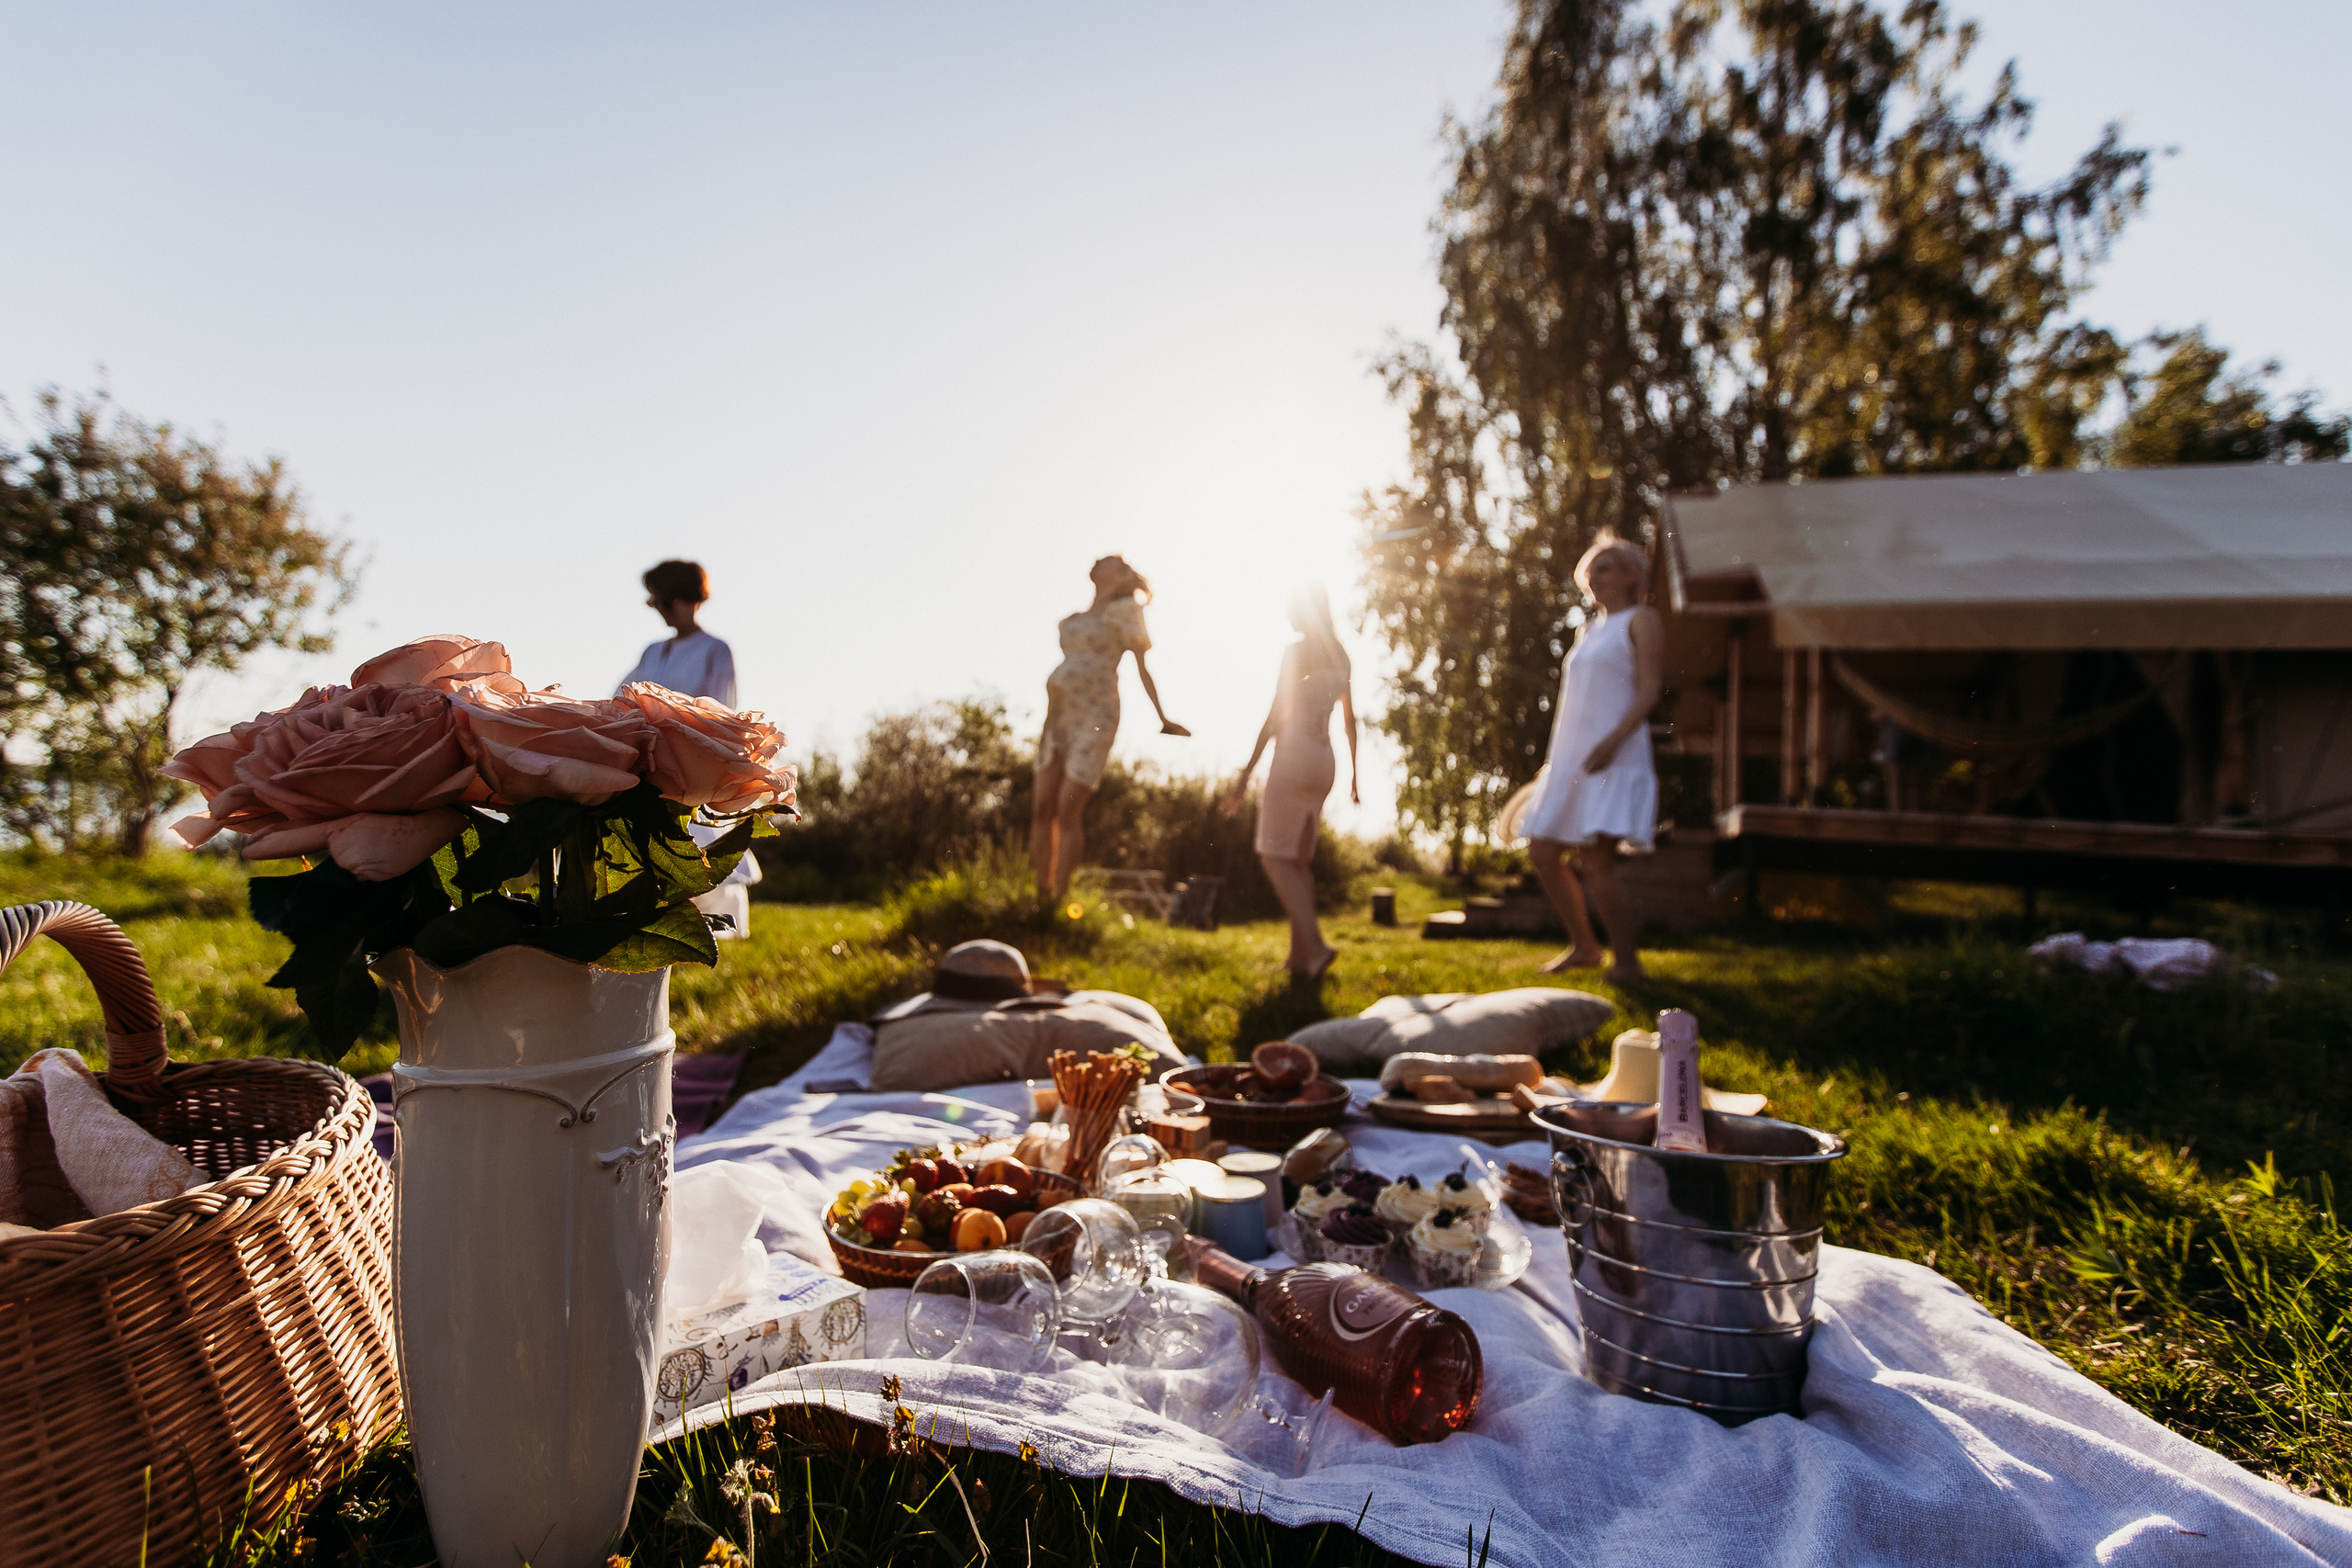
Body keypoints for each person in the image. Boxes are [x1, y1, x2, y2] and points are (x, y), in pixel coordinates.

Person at [1515, 535, 1661, 983]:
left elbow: (1650, 692)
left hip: (1614, 756)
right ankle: (1585, 946)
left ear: (1631, 574)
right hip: (1572, 760)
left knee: (1596, 863)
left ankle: (1628, 964)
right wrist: (1557, 762)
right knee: (1542, 851)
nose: (1594, 574)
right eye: (1592, 567)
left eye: (1606, 566)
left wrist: (1612, 742)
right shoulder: (1588, 630)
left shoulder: (1642, 620)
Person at [1223, 583, 1359, 981]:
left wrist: (1244, 775)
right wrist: (1355, 776)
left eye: (1291, 608)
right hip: (1325, 761)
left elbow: (1275, 715)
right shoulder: (1341, 655)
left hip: (1294, 758)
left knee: (1273, 856)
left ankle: (1315, 947)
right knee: (1299, 863)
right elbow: (1350, 720)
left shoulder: (1296, 652)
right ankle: (1300, 958)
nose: (1286, 615)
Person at [1030, 555, 1187, 898]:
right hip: (1059, 715)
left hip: (1096, 716)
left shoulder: (1126, 612)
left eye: (1107, 561)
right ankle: (1040, 898)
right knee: (1042, 807)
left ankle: (1060, 899)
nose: (1097, 561)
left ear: (1120, 576)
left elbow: (1142, 668)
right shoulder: (1074, 619)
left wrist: (1162, 718)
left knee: (1067, 807)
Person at [619, 559, 735, 707]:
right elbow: (622, 701)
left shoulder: (715, 649)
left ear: (692, 600)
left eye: (666, 602)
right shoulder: (652, 651)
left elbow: (721, 709)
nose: (661, 608)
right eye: (655, 601)